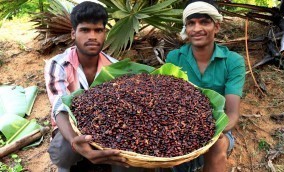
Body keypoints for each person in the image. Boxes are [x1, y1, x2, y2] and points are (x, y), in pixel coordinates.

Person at [44, 1, 147, 172]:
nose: (92, 36)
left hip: (108, 129)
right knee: (63, 152)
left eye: (98, 30)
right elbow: (59, 105)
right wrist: (75, 141)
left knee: (129, 160)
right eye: (85, 30)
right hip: (70, 129)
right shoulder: (59, 65)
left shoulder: (115, 67)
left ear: (104, 34)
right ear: (73, 34)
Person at [165, 0, 246, 171]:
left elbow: (231, 114)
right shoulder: (174, 57)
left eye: (204, 22)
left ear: (216, 26)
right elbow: (167, 101)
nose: (196, 29)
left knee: (217, 145)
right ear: (186, 28)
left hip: (217, 128)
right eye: (191, 23)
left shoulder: (233, 61)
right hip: (179, 126)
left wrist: (208, 131)